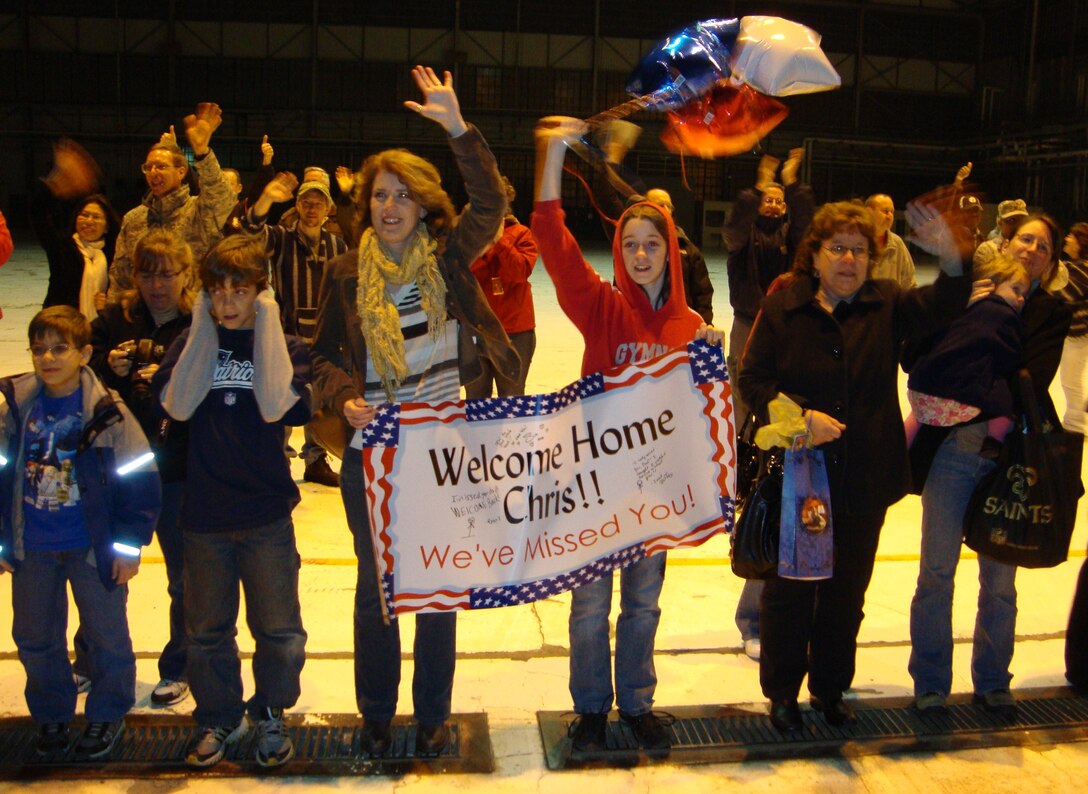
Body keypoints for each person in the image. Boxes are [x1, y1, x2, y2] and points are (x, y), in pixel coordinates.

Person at [310, 65, 517, 759]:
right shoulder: (345, 272)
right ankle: (376, 714)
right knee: (376, 593)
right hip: (373, 454)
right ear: (365, 205)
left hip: (442, 452)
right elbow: (322, 360)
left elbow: (491, 200)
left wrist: (458, 129)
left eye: (402, 195)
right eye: (379, 196)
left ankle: (432, 714)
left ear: (423, 205)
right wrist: (344, 396)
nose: (390, 206)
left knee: (435, 586)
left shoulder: (447, 256)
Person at [738, 201, 969, 733]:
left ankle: (829, 688)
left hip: (865, 478)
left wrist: (953, 253)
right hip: (802, 477)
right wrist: (800, 420)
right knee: (791, 589)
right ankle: (782, 694)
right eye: (837, 248)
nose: (848, 259)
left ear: (873, 258)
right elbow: (752, 382)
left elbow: (948, 302)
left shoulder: (886, 304)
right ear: (814, 255)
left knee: (847, 591)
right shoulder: (782, 309)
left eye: (860, 250)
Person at [532, 116, 724, 753]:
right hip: (594, 489)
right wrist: (554, 155)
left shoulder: (691, 325)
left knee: (643, 607)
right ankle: (590, 709)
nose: (641, 255)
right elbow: (551, 239)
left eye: (652, 245)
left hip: (655, 496)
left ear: (669, 251)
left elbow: (704, 423)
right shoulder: (601, 307)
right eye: (631, 244)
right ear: (618, 251)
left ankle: (638, 703)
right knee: (590, 609)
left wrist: (712, 369)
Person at [152, 235, 311, 769]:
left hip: (266, 516)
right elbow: (176, 402)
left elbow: (275, 407)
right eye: (214, 291)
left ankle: (269, 711)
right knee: (206, 632)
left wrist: (265, 321)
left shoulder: (287, 349)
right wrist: (202, 325)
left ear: (260, 293)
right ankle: (220, 716)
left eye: (239, 291)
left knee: (281, 632)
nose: (226, 302)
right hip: (204, 518)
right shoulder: (190, 343)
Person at [908, 214, 1072, 719]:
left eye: (1044, 246)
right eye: (1027, 238)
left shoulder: (1048, 310)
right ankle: (931, 683)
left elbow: (1032, 374)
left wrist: (974, 345)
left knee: (1000, 578)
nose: (1033, 249)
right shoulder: (964, 290)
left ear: (1051, 261)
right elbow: (915, 354)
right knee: (937, 571)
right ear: (1007, 240)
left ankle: (993, 680)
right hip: (953, 447)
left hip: (1007, 454)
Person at [0, 305, 161, 759]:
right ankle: (51, 713)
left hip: (92, 548)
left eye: (60, 348)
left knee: (106, 635)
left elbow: (140, 482)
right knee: (34, 636)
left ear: (84, 353)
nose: (48, 359)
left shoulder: (109, 413)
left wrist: (127, 547)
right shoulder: (15, 408)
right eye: (39, 350)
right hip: (33, 547)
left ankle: (107, 713)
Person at [89, 229, 197, 707]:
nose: (157, 285)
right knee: (102, 570)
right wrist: (103, 366)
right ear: (135, 278)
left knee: (184, 578)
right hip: (119, 473)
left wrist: (172, 377)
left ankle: (180, 665)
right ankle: (92, 659)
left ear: (186, 275)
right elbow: (77, 373)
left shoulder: (200, 324)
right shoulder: (113, 320)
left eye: (167, 274)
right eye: (148, 274)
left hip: (178, 470)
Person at [724, 149, 815, 662]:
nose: (777, 206)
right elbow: (737, 223)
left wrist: (792, 183)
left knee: (781, 422)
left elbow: (807, 230)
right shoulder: (744, 244)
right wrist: (760, 185)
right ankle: (746, 473)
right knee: (748, 412)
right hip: (747, 326)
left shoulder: (793, 249)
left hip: (787, 331)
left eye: (781, 201)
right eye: (772, 201)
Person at [244, 172, 347, 486]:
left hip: (325, 337)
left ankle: (315, 460)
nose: (312, 209)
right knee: (284, 398)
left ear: (328, 208)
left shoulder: (337, 245)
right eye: (306, 202)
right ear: (298, 206)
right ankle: (278, 461)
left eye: (319, 203)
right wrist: (265, 201)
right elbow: (251, 232)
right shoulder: (281, 238)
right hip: (287, 335)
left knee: (321, 402)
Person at [904, 255, 1031, 455]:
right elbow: (1009, 354)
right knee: (1003, 397)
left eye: (1024, 294)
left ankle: (899, 450)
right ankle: (994, 441)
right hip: (961, 392)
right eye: (1016, 289)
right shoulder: (1003, 314)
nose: (1021, 298)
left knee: (916, 418)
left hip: (922, 385)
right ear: (992, 285)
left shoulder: (960, 303)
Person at [109, 102, 235, 303]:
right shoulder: (134, 219)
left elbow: (223, 197)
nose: (153, 172)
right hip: (144, 319)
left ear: (181, 171)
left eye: (161, 166)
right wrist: (116, 316)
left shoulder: (198, 211)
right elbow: (120, 276)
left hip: (192, 318)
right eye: (148, 167)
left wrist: (202, 151)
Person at [464, 175, 539, 398]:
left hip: (515, 334)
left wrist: (499, 240)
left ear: (506, 203)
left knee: (512, 399)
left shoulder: (521, 234)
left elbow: (519, 273)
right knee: (476, 401)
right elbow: (458, 276)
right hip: (476, 330)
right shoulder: (467, 236)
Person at [31, 139, 122, 322]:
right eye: (84, 215)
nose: (88, 221)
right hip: (62, 326)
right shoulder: (62, 247)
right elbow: (38, 215)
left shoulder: (116, 253)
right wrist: (56, 184)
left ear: (107, 225)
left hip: (100, 328)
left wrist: (108, 303)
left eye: (96, 217)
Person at [1058, 222, 1088, 434]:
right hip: (1080, 333)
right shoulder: (1077, 266)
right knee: (1072, 378)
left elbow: (1065, 295)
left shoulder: (1082, 269)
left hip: (1079, 335)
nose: (1067, 239)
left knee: (1070, 379)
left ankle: (1076, 425)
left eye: (1072, 236)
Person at [865, 194, 916, 289]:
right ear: (869, 212)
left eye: (892, 212)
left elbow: (909, 283)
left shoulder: (897, 243)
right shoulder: (858, 242)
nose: (890, 216)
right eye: (885, 211)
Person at [974, 199, 1028, 269]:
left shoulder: (1030, 249)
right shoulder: (987, 250)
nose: (1017, 225)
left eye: (1022, 221)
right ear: (1000, 222)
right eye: (1011, 220)